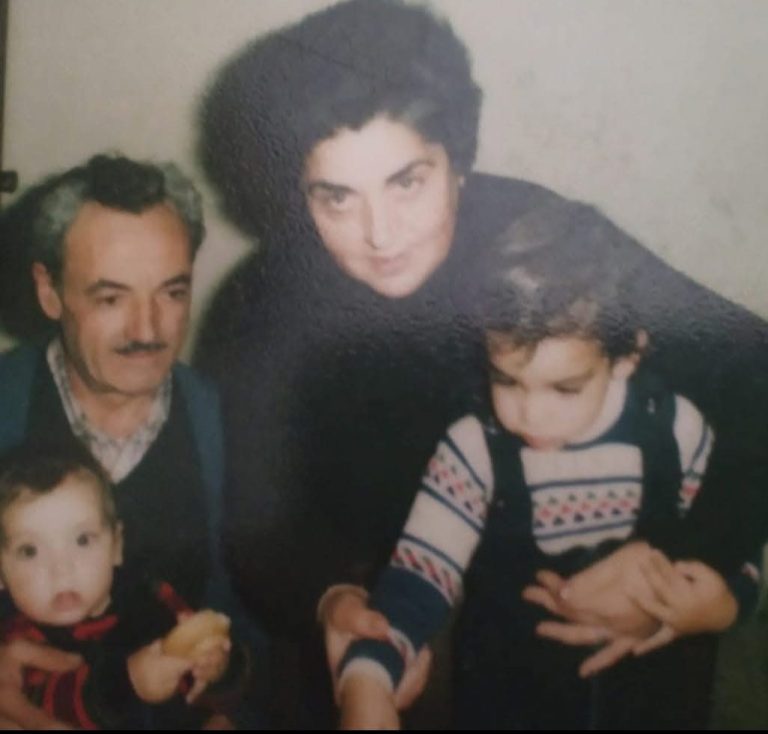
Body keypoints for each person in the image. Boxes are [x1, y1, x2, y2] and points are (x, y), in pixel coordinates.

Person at [196, 0, 768, 725]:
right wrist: (329, 600)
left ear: (459, 162)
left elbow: (752, 364)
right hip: (377, 591)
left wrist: (677, 561)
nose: (380, 234)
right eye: (337, 199)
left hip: (573, 567)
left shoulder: (543, 247)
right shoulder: (263, 306)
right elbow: (257, 526)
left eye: (407, 181)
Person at [335, 202, 746, 729]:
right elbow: (417, 579)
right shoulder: (474, 449)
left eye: (565, 388)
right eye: (506, 381)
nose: (528, 413)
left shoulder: (676, 429)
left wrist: (722, 607)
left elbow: (733, 556)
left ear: (627, 357)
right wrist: (366, 679)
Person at [0, 154, 264, 728]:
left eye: (171, 293)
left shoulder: (228, 423)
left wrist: (231, 704)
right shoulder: (5, 409)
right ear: (50, 292)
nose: (147, 330)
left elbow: (252, 611)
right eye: (111, 298)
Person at [0, 444, 241, 729]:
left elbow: (206, 691)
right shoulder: (19, 641)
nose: (61, 570)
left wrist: (214, 667)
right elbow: (52, 706)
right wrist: (128, 684)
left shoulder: (155, 597)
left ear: (116, 545)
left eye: (82, 540)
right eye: (29, 551)